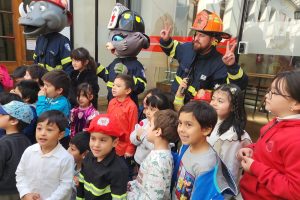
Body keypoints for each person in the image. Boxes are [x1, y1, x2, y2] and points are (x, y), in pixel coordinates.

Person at [160, 9, 248, 103]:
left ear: (213, 39)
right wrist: (166, 41)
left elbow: (239, 86)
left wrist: (232, 66)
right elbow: (172, 49)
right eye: (196, 34)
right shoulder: (188, 48)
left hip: (196, 113)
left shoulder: (219, 64)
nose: (196, 38)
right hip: (174, 102)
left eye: (201, 35)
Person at [238, 70, 300, 200]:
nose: (267, 96)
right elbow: (267, 147)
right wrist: (251, 149)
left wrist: (255, 168)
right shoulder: (278, 121)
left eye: (274, 93)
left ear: (296, 104)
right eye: (269, 91)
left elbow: (295, 191)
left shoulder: (296, 140)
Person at [173, 101, 237, 199]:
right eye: (180, 123)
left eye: (188, 125)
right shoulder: (186, 146)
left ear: (206, 130)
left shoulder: (206, 165)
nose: (181, 129)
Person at [16, 110, 74, 200]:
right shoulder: (29, 151)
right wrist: (25, 193)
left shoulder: (66, 158)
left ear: (60, 135)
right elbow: (20, 173)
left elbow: (66, 185)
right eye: (39, 128)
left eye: (49, 130)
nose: (42, 133)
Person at [128, 109, 179, 199]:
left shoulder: (158, 162)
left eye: (150, 125)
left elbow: (154, 196)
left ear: (157, 132)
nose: (146, 128)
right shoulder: (162, 152)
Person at [208, 84, 252, 188]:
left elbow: (229, 169)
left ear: (233, 107)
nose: (213, 103)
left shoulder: (232, 136)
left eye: (220, 101)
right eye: (213, 99)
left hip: (218, 185)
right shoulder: (211, 121)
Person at [77, 114, 128, 200]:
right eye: (93, 138)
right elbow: (81, 182)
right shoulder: (88, 156)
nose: (96, 145)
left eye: (103, 140)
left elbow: (119, 198)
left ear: (115, 142)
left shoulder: (119, 170)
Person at [0, 101, 33, 200]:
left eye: (2, 114)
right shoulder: (27, 141)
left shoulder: (3, 143)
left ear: (13, 121)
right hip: (22, 190)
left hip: (3, 192)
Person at [107, 74, 138, 179]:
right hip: (111, 144)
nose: (114, 87)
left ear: (128, 90)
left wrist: (130, 148)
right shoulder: (111, 102)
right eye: (114, 85)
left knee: (123, 172)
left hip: (123, 148)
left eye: (118, 86)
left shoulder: (131, 107)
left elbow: (133, 129)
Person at [130, 93, 173, 166]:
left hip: (152, 164)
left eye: (152, 109)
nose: (148, 112)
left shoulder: (163, 128)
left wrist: (142, 136)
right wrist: (137, 137)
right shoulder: (144, 122)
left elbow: (156, 147)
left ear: (163, 112)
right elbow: (132, 137)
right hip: (139, 160)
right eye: (147, 108)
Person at [67, 131, 90, 200]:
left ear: (85, 154)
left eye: (72, 149)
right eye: (69, 147)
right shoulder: (72, 164)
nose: (68, 151)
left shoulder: (87, 176)